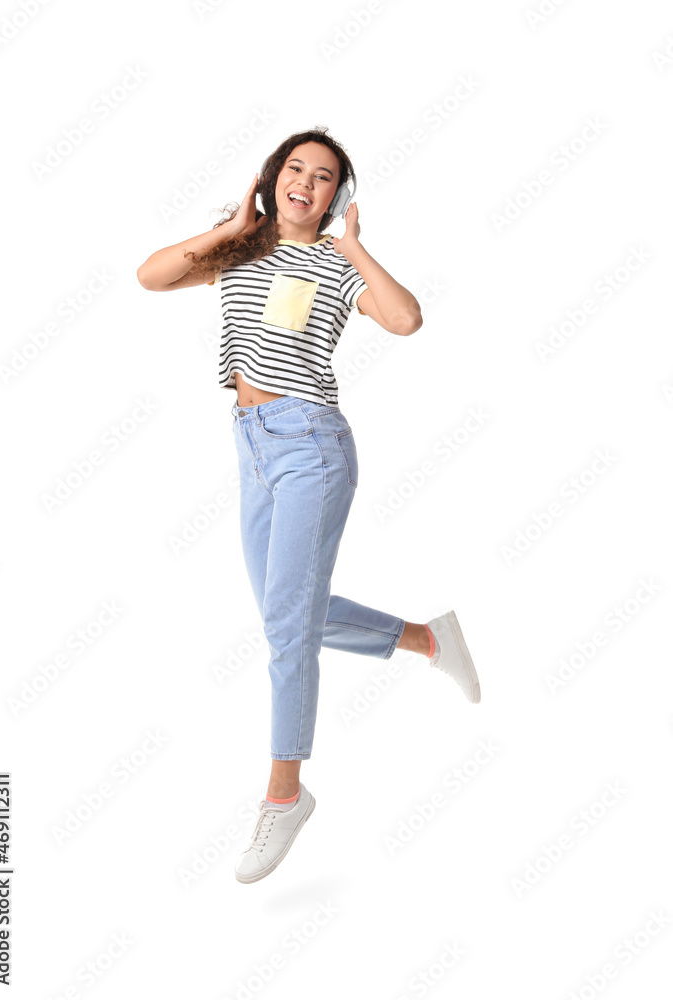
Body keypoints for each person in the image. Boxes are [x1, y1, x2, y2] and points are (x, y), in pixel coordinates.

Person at [137, 126, 481, 884]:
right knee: (285, 613)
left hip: (310, 445)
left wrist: (353, 247)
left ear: (337, 197)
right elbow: (151, 277)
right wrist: (230, 227)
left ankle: (284, 795)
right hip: (252, 445)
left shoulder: (333, 262)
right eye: (295, 168)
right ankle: (427, 639)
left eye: (323, 177)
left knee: (286, 632)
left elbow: (404, 318)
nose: (305, 182)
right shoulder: (242, 248)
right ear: (272, 177)